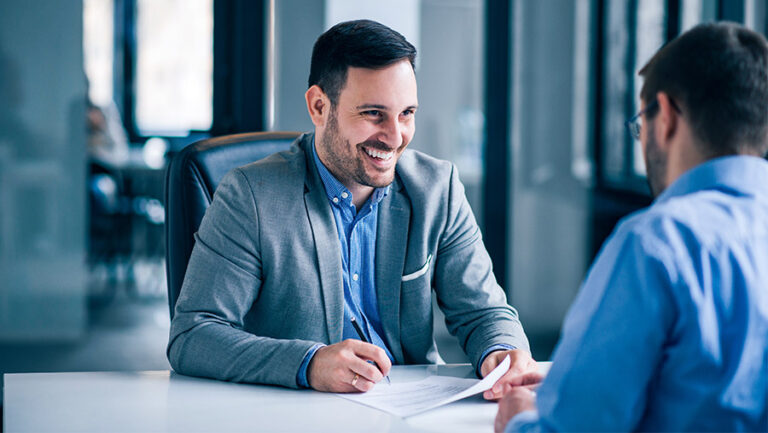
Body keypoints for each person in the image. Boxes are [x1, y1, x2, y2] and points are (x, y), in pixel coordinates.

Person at [168, 19, 536, 394]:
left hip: (411, 410)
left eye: (406, 113)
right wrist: (308, 364)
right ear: (319, 107)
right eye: (373, 114)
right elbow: (193, 336)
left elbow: (485, 312)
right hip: (299, 413)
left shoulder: (437, 188)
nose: (395, 137)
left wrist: (503, 350)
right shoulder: (250, 196)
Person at [496, 22, 768, 432]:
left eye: (641, 123)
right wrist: (575, 379)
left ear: (668, 116)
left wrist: (518, 419)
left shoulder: (658, 242)